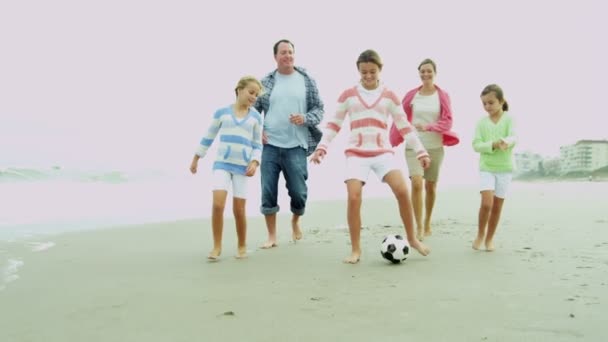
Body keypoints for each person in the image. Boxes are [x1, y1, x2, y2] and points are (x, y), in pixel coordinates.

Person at [311, 49, 431, 264]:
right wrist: (322, 147)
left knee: (403, 190)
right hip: (356, 153)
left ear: (380, 70)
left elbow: (405, 127)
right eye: (364, 72)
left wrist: (421, 151)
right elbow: (334, 124)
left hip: (382, 152)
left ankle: (412, 239)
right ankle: (356, 250)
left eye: (372, 72)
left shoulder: (390, 96)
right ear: (358, 70)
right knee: (354, 196)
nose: (368, 76)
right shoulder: (348, 95)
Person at [254, 39, 324, 249]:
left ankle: (295, 220)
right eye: (283, 52)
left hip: (296, 144)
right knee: (268, 191)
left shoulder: (306, 80)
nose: (287, 56)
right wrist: (258, 131)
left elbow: (319, 110)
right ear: (275, 56)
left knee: (298, 192)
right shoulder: (264, 82)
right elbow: (252, 110)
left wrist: (305, 118)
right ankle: (272, 236)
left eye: (290, 52)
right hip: (270, 145)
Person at [189, 76, 264, 260]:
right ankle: (216, 247)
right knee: (217, 205)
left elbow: (257, 145)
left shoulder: (255, 117)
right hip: (222, 164)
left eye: (256, 95)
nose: (254, 97)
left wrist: (254, 163)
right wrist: (196, 158)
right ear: (239, 89)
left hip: (243, 168)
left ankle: (241, 245)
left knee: (239, 210)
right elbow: (209, 136)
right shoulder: (221, 112)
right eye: (251, 92)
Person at [388, 58, 459, 241]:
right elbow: (399, 116)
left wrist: (428, 127)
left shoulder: (442, 96)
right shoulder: (412, 95)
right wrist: (394, 136)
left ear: (435, 73)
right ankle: (418, 226)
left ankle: (427, 221)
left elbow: (448, 121)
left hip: (435, 146)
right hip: (415, 146)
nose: (426, 74)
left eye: (429, 71)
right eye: (422, 71)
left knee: (431, 186)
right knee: (417, 183)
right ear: (419, 73)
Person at [472, 84, 516, 252]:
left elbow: (514, 136)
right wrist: (493, 144)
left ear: (501, 101)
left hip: (505, 169)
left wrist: (506, 142)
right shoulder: (481, 123)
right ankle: (480, 234)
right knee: (487, 203)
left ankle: (490, 239)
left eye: (491, 103)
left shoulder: (509, 119)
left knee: (497, 206)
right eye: (484, 103)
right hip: (487, 168)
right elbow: (476, 145)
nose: (487, 107)